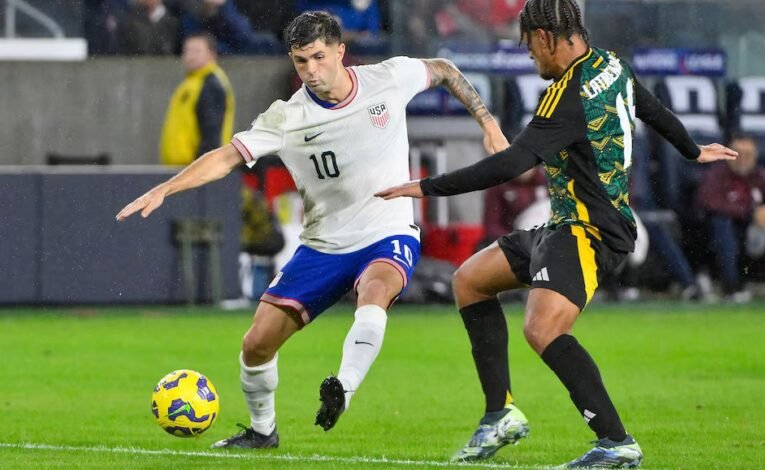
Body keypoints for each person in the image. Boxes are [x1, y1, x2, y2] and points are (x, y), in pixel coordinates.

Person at [117, 11, 506, 449]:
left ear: (340, 51)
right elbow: (227, 156)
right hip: (322, 245)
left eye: (319, 57)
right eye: (301, 61)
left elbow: (445, 69)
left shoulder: (387, 79)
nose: (312, 71)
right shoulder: (287, 117)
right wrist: (168, 188)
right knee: (256, 345)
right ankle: (263, 433)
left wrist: (488, 124)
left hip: (387, 228)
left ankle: (344, 387)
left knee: (375, 291)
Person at [375, 0, 738, 467]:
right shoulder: (611, 64)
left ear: (546, 37)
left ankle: (615, 441)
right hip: (563, 223)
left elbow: (510, 164)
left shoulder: (566, 96)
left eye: (529, 46)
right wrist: (691, 150)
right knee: (469, 281)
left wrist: (424, 186)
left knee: (542, 327)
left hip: (592, 229)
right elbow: (651, 107)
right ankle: (498, 414)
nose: (530, 57)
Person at [696, 133, 765, 300]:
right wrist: (749, 213)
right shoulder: (717, 174)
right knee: (722, 224)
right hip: (724, 230)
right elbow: (708, 202)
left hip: (755, 231)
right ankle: (731, 288)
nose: (742, 159)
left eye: (748, 154)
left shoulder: (759, 176)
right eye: (737, 153)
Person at [159, 32, 235, 166]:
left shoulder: (210, 84)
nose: (190, 56)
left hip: (196, 171)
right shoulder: (192, 82)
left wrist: (201, 168)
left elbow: (211, 132)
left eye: (196, 51)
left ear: (212, 54)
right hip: (184, 169)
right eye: (187, 51)